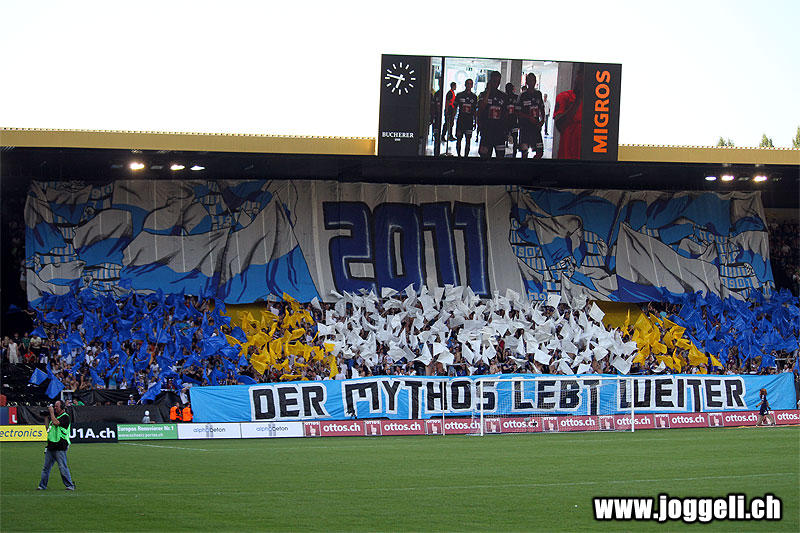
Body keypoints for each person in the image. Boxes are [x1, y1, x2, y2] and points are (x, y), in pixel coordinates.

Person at [38, 401, 76, 491]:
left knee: (62, 467)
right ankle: (42, 486)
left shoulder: (65, 417)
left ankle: (70, 485)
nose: (55, 408)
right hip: (51, 445)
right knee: (46, 468)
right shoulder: (55, 417)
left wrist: (51, 413)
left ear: (62, 407)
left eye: (56, 406)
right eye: (54, 406)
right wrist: (46, 417)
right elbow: (48, 428)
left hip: (60, 446)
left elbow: (56, 423)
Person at [553, 64, 584, 159]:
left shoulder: (596, 103)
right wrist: (578, 99)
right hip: (566, 155)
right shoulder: (564, 97)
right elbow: (560, 125)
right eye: (580, 74)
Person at [477, 70, 507, 159]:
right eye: (494, 81)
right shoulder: (483, 94)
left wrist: (506, 130)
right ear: (490, 80)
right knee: (484, 157)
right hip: (486, 131)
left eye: (498, 81)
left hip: (499, 132)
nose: (496, 83)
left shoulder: (503, 96)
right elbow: (481, 108)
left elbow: (506, 114)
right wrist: (488, 91)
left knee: (500, 156)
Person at [516, 73, 545, 159]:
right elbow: (517, 111)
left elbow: (542, 108)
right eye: (530, 80)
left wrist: (542, 120)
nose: (532, 82)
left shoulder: (538, 94)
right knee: (524, 152)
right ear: (527, 82)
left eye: (533, 80)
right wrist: (528, 117)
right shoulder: (522, 95)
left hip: (535, 127)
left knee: (540, 151)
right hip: (525, 128)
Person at [454, 79, 478, 157]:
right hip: (460, 121)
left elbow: (475, 111)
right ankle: (458, 155)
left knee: (468, 140)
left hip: (469, 121)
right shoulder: (459, 95)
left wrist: (475, 122)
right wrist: (452, 119)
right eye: (467, 83)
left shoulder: (474, 97)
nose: (469, 85)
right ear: (465, 84)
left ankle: (466, 156)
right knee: (459, 139)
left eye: (470, 84)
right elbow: (455, 107)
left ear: (472, 85)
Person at [505, 82, 519, 157]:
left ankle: (514, 153)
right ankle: (513, 153)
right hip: (508, 121)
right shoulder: (504, 97)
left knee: (515, 138)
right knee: (513, 138)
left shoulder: (516, 97)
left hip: (513, 121)